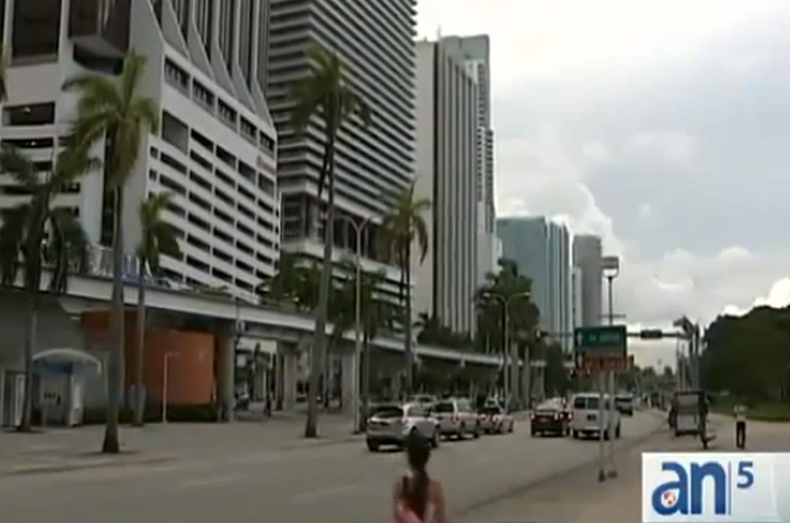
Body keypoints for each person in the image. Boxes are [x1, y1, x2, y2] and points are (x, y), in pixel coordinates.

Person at [393, 433, 447, 523]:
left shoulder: (401, 485)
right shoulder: (434, 488)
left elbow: (397, 517)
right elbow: (442, 519)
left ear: (409, 457)